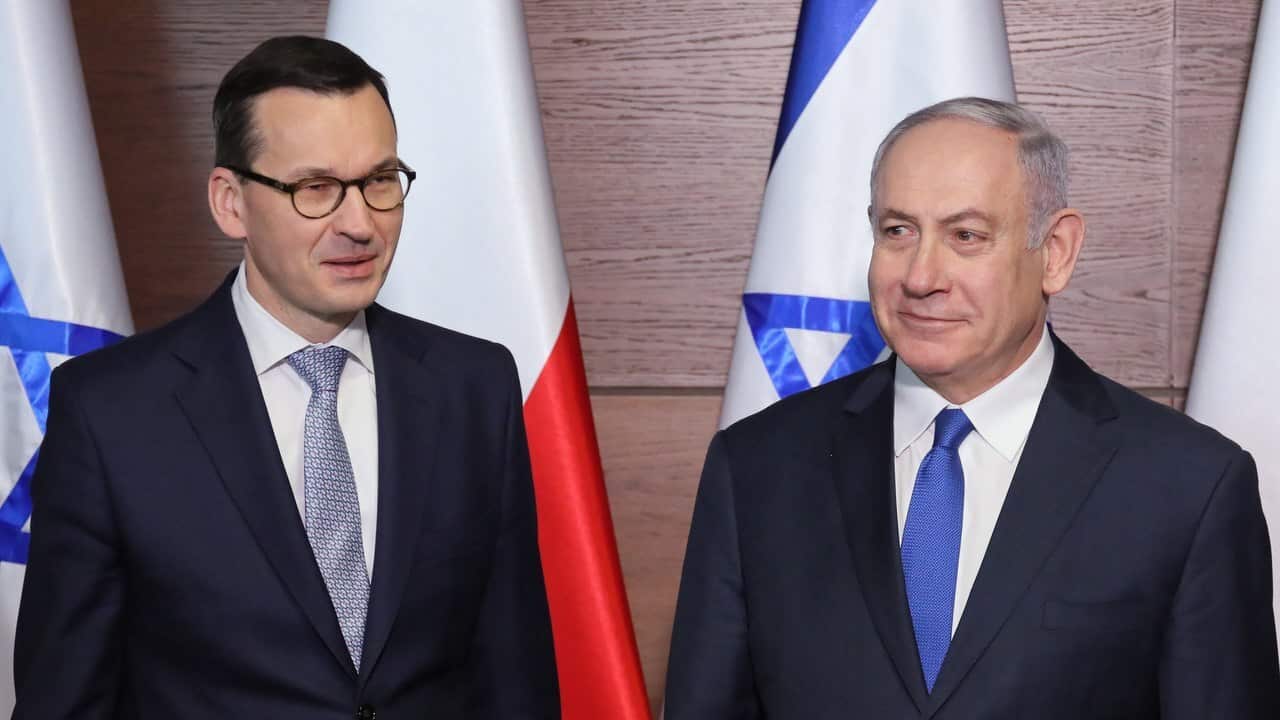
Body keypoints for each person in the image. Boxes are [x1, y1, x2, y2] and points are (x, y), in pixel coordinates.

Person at [664, 96, 1280, 718]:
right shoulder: (758, 468)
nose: (921, 275)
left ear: (1057, 251)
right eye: (898, 231)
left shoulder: (1188, 486)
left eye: (966, 236)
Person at [13, 36, 559, 719]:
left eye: (380, 181)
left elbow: (515, 678)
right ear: (230, 203)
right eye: (316, 189)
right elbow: (66, 699)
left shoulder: (474, 387)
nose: (360, 224)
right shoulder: (112, 413)